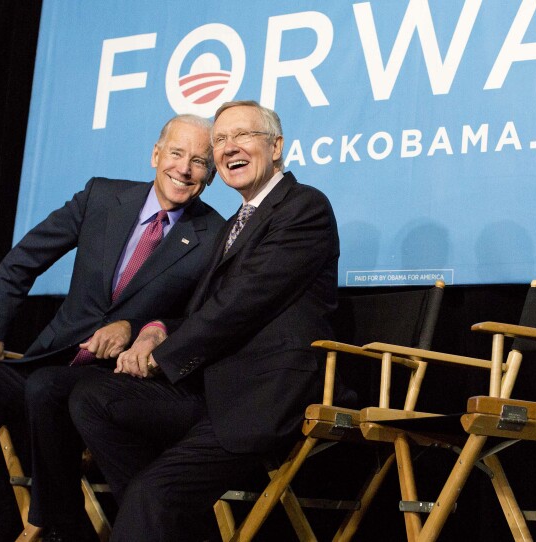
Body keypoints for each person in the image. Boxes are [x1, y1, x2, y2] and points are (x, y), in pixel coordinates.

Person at [69, 100, 341, 541]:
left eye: (242, 135)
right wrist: (157, 329)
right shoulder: (236, 221)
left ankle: (156, 509)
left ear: (276, 146)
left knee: (152, 496)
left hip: (262, 396)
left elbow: (241, 304)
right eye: (219, 140)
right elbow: (204, 308)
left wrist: (163, 356)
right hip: (211, 390)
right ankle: (166, 518)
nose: (228, 146)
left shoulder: (303, 207)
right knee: (92, 397)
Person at [0, 114, 225, 542]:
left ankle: (61, 528)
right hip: (48, 356)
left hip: (115, 379)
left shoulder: (213, 235)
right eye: (175, 153)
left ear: (210, 174)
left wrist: (135, 328)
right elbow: (23, 260)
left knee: (47, 389)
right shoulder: (102, 196)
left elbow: (202, 318)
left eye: (199, 161)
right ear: (156, 154)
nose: (184, 169)